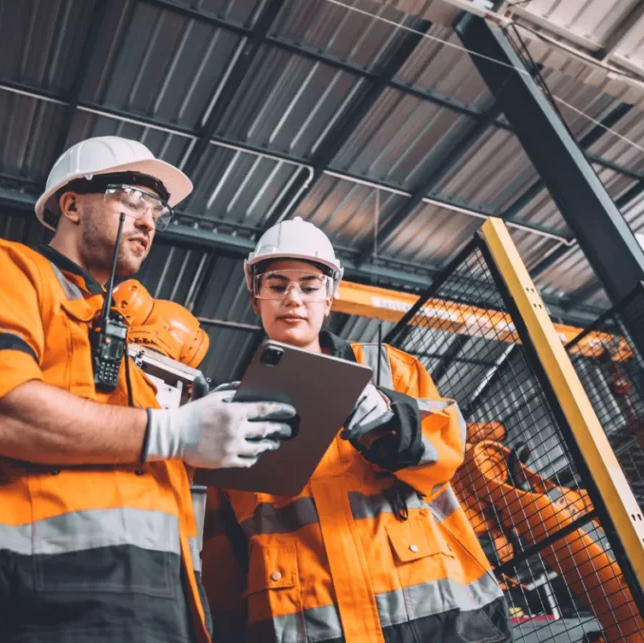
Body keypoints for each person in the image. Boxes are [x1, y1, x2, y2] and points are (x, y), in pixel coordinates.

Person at [0, 136, 295, 642]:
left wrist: (217, 435)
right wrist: (173, 432)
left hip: (161, 604)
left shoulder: (140, 333)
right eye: (132, 199)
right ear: (71, 204)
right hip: (27, 601)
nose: (149, 220)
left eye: (157, 209)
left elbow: (152, 448)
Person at [201, 217, 512, 643]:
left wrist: (390, 419)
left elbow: (446, 454)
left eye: (309, 286)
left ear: (329, 297)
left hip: (436, 624)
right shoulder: (233, 417)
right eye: (277, 286)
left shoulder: (390, 369)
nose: (293, 298)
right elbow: (224, 559)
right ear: (257, 298)